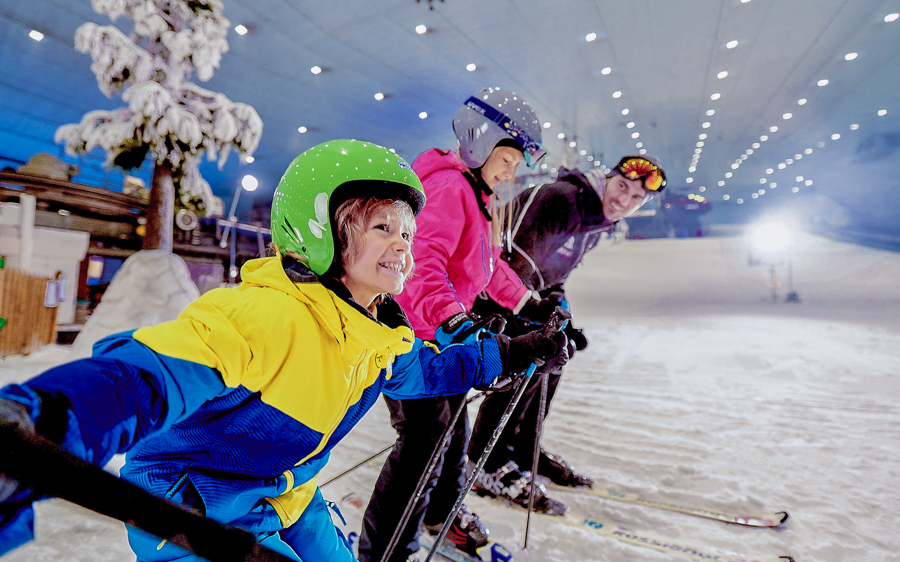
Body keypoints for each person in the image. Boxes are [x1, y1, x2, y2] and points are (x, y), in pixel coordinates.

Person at [0, 140, 568, 562]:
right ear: (321, 230)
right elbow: (145, 377)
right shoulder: (264, 314)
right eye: (380, 226)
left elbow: (427, 370)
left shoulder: (377, 332)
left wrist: (511, 353)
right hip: (193, 512)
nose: (403, 245)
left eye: (407, 232)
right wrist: (46, 419)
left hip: (288, 496)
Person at [358, 88, 568, 562]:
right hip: (418, 340)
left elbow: (487, 266)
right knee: (423, 446)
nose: (512, 171)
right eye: (508, 158)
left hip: (443, 342)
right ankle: (387, 553)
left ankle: (441, 515)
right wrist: (454, 318)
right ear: (481, 141)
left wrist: (529, 304)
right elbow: (419, 263)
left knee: (452, 432)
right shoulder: (451, 187)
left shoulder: (475, 195)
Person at [467, 155, 667, 505]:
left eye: (636, 199)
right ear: (606, 178)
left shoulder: (596, 222)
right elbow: (506, 263)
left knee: (553, 360)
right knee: (521, 366)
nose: (624, 201)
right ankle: (487, 462)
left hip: (523, 299)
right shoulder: (558, 199)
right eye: (622, 187)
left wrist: (561, 314)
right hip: (486, 297)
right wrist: (532, 318)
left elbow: (553, 277)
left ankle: (523, 449)